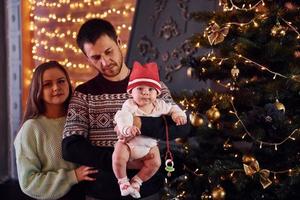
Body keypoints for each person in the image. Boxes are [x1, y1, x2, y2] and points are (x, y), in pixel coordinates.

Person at [62, 18, 190, 200]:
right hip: (101, 192)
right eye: (96, 57)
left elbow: (182, 127)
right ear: (87, 58)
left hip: (148, 190)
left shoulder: (153, 86)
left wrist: (139, 122)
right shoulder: (84, 94)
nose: (105, 62)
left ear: (119, 43)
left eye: (108, 52)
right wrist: (122, 161)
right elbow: (70, 146)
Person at [14, 61, 97, 200]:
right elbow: (28, 182)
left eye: (61, 81)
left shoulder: (81, 118)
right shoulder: (31, 128)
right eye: (47, 84)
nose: (56, 87)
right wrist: (72, 176)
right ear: (38, 91)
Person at [113, 61, 187, 199]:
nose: (145, 92)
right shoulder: (130, 105)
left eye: (150, 89)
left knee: (156, 163)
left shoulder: (160, 105)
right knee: (118, 156)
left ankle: (137, 181)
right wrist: (126, 128)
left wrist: (178, 115)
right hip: (129, 143)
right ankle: (123, 182)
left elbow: (172, 108)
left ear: (157, 92)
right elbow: (121, 116)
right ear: (131, 92)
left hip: (149, 146)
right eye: (140, 89)